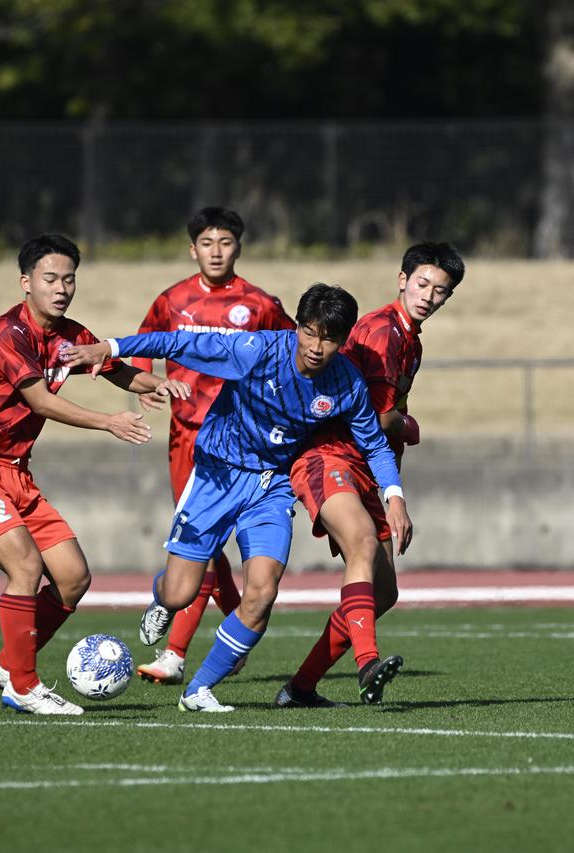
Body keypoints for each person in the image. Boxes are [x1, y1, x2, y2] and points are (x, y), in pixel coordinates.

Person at [62, 282, 412, 713]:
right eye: (309, 331)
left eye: (329, 338)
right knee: (180, 592)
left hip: (272, 486)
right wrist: (109, 348)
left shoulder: (347, 383)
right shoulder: (257, 349)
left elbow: (374, 444)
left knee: (262, 592)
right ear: (298, 327)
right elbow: (179, 341)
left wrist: (394, 495)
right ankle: (162, 599)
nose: (316, 346)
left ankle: (199, 689)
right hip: (216, 477)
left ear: (343, 341)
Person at [0, 234, 188, 716]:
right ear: (26, 283)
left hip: (18, 474)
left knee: (74, 578)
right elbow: (41, 401)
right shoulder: (8, 334)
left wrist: (158, 383)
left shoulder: (70, 335)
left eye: (69, 278)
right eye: (50, 278)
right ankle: (24, 684)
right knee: (26, 568)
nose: (61, 288)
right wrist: (109, 421)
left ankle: (7, 664)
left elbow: (113, 367)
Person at [275, 242, 465, 708]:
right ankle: (367, 666)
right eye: (422, 283)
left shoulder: (408, 335)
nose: (428, 295)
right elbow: (380, 419)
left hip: (365, 468)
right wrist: (408, 425)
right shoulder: (383, 331)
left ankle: (299, 689)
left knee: (383, 592)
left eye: (439, 291)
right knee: (362, 547)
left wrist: (392, 486)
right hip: (331, 458)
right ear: (402, 279)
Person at [129, 206, 294, 686]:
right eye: (207, 243)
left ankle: (175, 653)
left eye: (225, 242)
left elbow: (291, 354)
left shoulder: (260, 304)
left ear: (238, 247)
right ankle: (228, 625)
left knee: (208, 543)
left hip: (242, 443)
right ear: (192, 248)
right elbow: (146, 343)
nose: (216, 251)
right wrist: (150, 383)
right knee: (202, 544)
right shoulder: (173, 299)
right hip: (187, 439)